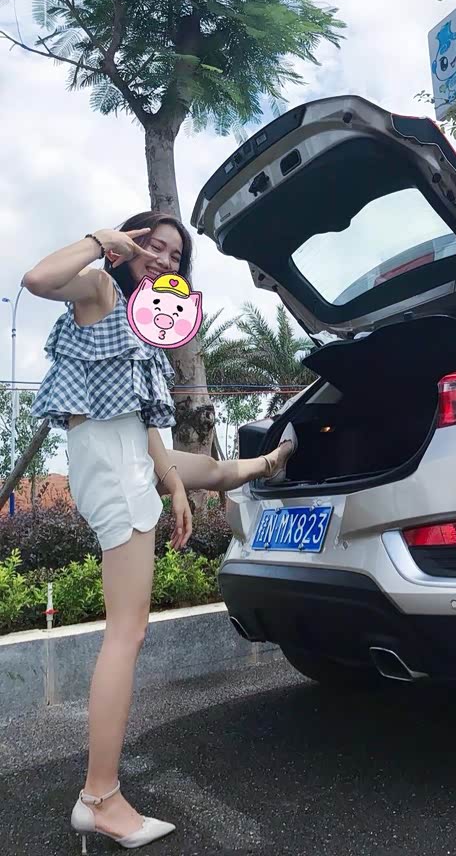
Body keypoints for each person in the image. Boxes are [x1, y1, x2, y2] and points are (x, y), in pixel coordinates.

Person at [23, 211, 295, 852]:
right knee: (128, 630)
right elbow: (37, 279)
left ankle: (273, 461)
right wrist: (102, 241)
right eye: (154, 245)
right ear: (129, 244)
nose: (165, 259)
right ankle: (100, 798)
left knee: (209, 473)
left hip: (127, 454)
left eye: (175, 256)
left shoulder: (145, 327)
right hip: (111, 461)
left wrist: (173, 483)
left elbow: (142, 422)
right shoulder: (99, 287)